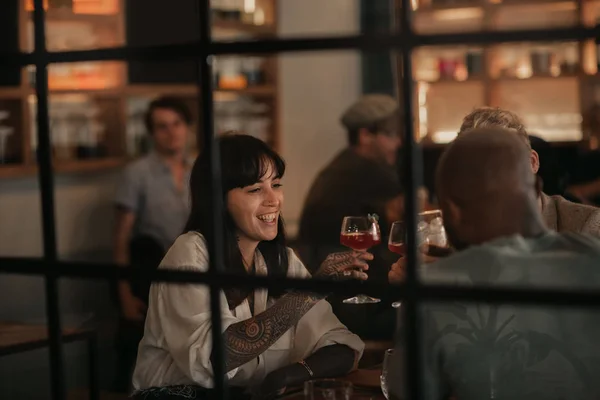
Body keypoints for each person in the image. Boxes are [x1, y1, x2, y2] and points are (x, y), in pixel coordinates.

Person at [132, 134, 367, 399]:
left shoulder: (282, 260)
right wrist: (310, 292)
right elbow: (214, 359)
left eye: (276, 184)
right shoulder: (190, 253)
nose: (273, 200)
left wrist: (285, 376)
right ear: (219, 199)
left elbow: (343, 348)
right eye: (255, 190)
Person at [389, 128, 600, 400]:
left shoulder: (434, 287)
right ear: (536, 188)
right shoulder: (593, 256)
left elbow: (406, 393)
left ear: (450, 210)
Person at [388, 106, 600, 283]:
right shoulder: (453, 232)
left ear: (533, 162)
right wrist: (411, 283)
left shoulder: (586, 225)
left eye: (503, 166)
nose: (488, 181)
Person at [113, 96, 194, 391]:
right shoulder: (137, 173)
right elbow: (121, 236)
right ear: (151, 133)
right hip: (151, 275)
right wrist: (123, 293)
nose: (171, 132)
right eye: (162, 127)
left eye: (177, 124)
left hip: (193, 274)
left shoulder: (198, 169)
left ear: (187, 127)